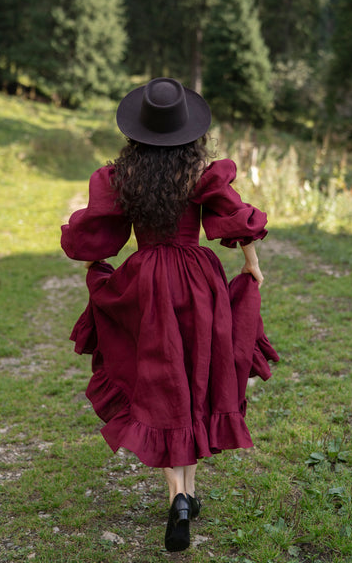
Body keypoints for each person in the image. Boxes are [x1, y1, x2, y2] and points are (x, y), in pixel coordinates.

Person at [61, 77, 279, 552]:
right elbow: (236, 222)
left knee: (161, 385)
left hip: (146, 280)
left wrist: (96, 268)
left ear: (138, 131)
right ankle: (188, 494)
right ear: (189, 131)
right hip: (198, 280)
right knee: (193, 379)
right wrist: (251, 267)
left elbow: (95, 237)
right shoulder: (201, 173)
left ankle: (179, 496)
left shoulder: (123, 177)